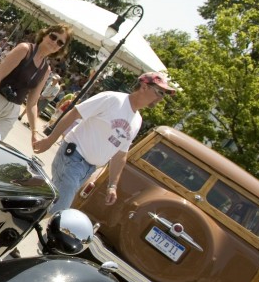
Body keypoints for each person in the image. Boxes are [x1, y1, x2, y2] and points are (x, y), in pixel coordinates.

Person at [34, 71, 178, 215]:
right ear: (144, 86)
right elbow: (75, 113)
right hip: (72, 157)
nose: (161, 98)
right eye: (160, 92)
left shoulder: (137, 120)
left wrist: (112, 185)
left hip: (88, 169)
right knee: (60, 213)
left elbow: (121, 154)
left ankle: (21, 212)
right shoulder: (113, 99)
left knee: (48, 203)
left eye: (164, 94)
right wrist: (50, 140)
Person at [0, 26, 71, 140]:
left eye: (60, 42)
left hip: (12, 110)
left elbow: (32, 103)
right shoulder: (25, 49)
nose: (55, 42)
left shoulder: (46, 70)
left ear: (61, 49)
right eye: (53, 36)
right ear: (45, 34)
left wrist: (34, 132)